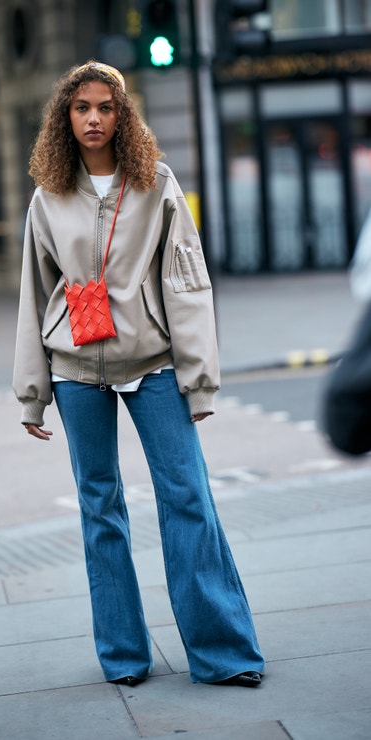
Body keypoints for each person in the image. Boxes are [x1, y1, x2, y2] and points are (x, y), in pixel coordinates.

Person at [13, 61, 265, 688]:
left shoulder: (156, 183)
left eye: (105, 107)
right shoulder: (49, 194)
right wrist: (32, 395)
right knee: (101, 510)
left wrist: (198, 378)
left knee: (187, 499)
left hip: (153, 366)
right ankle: (124, 657)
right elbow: (33, 295)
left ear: (123, 115)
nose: (93, 118)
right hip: (75, 371)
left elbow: (186, 282)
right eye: (81, 108)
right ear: (64, 118)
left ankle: (223, 654)